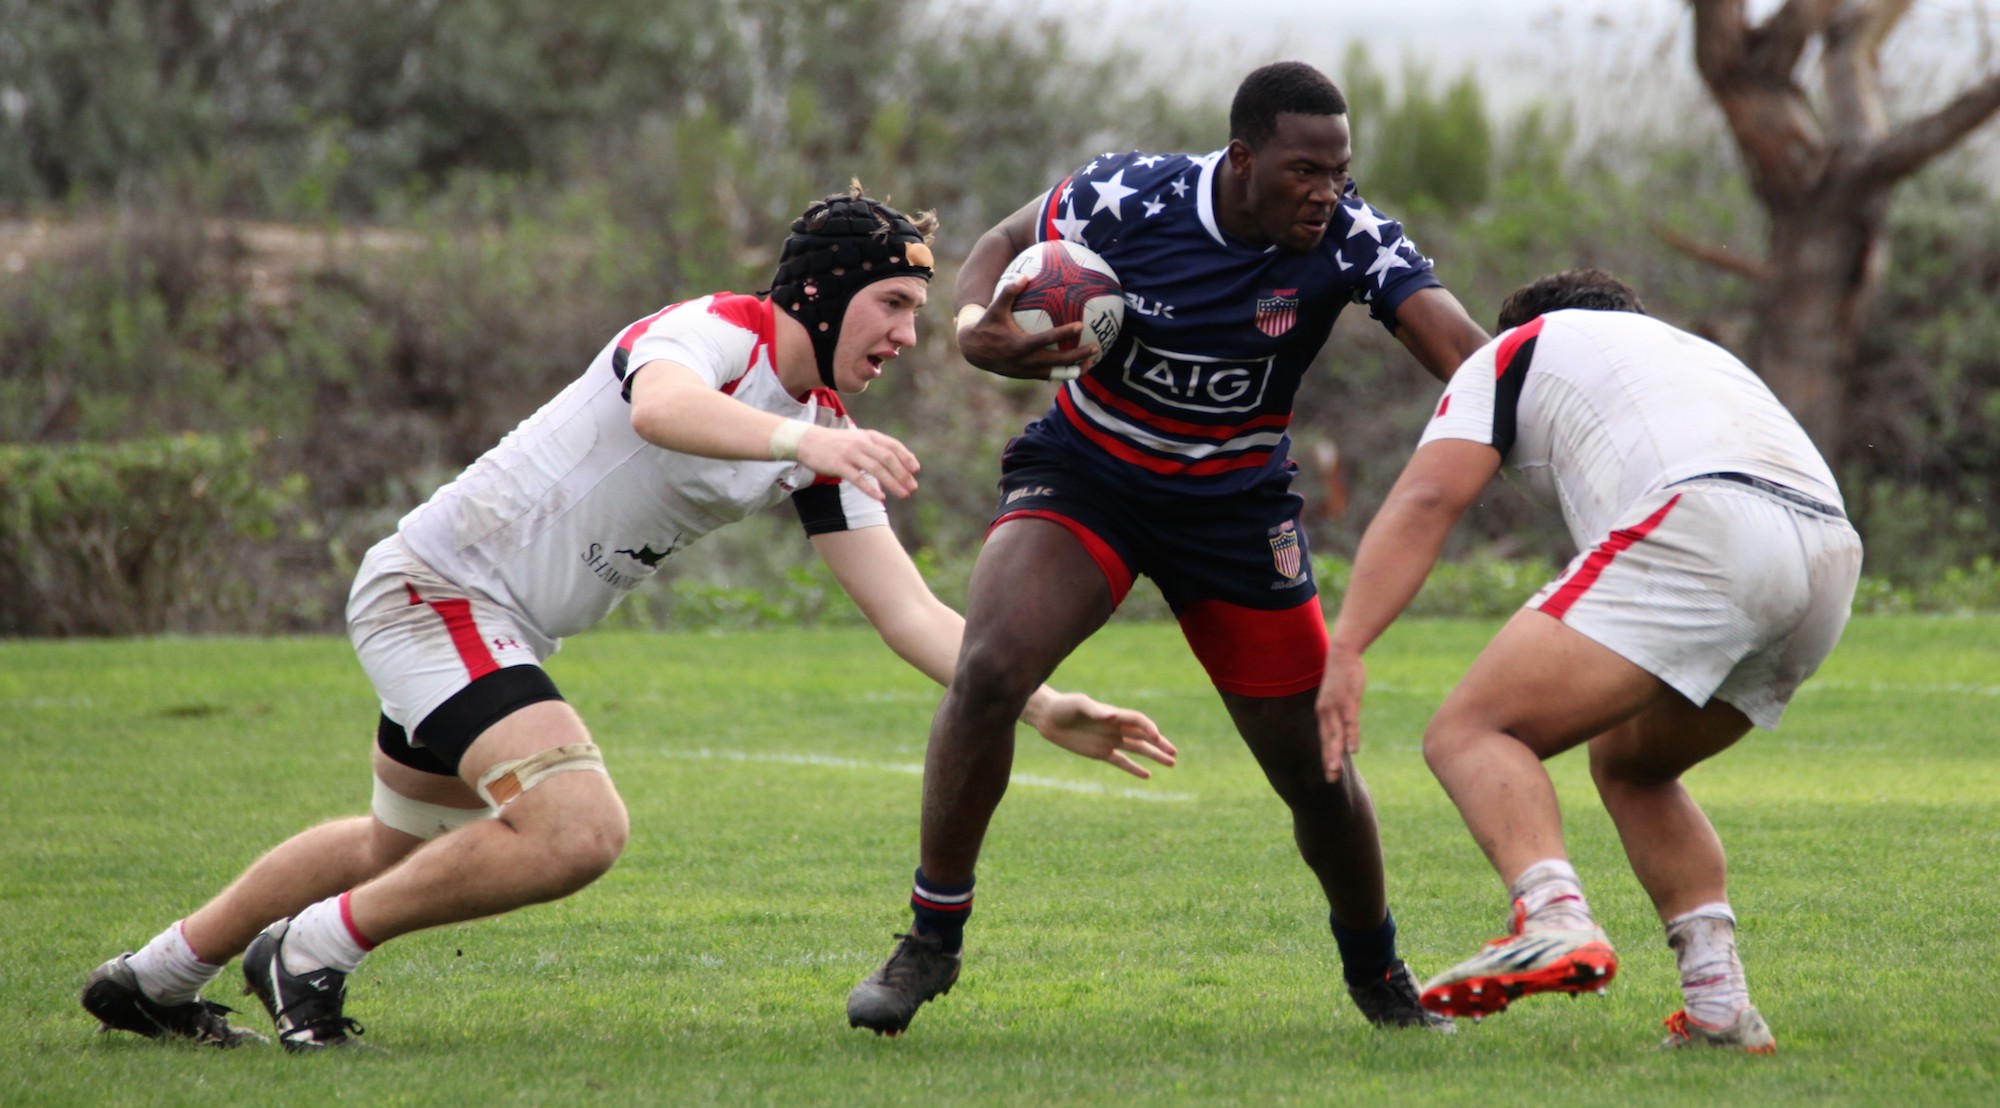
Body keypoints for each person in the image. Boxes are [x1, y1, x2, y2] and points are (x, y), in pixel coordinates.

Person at [80, 184, 1176, 1051]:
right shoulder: (711, 332)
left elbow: (905, 613)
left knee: (390, 843)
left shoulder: (818, 429)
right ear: (825, 291)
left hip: (485, 620)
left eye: (915, 314)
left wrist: (1036, 702)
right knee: (580, 830)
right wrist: (803, 443)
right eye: (891, 304)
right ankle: (308, 952)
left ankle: (155, 976)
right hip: (440, 593)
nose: (905, 334)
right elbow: (661, 407)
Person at [844, 62, 1491, 1037]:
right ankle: (929, 940)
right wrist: (977, 329)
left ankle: (1378, 975)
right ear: (1242, 159)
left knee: (1314, 771)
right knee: (986, 668)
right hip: (1089, 478)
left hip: (1234, 511)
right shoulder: (1129, 197)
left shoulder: (1348, 235)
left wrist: (1545, 402)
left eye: (1338, 170)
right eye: (1302, 171)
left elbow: (1464, 353)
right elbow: (1003, 240)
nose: (1324, 192)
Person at [1315, 269, 1863, 1053]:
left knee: (1471, 732)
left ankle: (1553, 917)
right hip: (1829, 556)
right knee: (1633, 766)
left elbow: (1428, 499)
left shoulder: (1513, 350)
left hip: (1709, 522)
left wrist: (1348, 644)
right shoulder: (1684, 353)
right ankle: (1719, 1005)